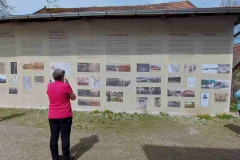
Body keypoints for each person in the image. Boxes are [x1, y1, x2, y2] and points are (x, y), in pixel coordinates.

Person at [47, 69, 76, 160]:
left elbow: (50, 94)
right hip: (65, 115)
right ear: (62, 76)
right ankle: (66, 158)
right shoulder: (66, 86)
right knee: (65, 138)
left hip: (52, 115)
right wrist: (68, 86)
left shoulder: (49, 86)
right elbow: (73, 97)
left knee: (54, 138)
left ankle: (55, 158)